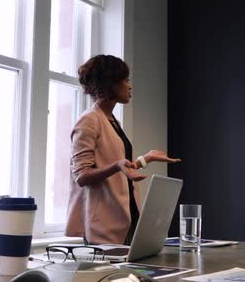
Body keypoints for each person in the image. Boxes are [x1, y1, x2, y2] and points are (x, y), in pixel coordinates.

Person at [65, 55, 181, 245]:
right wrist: (117, 165)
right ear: (109, 83)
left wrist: (145, 159)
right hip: (103, 225)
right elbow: (82, 175)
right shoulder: (89, 120)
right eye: (125, 80)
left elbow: (121, 167)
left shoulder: (111, 120)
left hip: (127, 216)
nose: (130, 86)